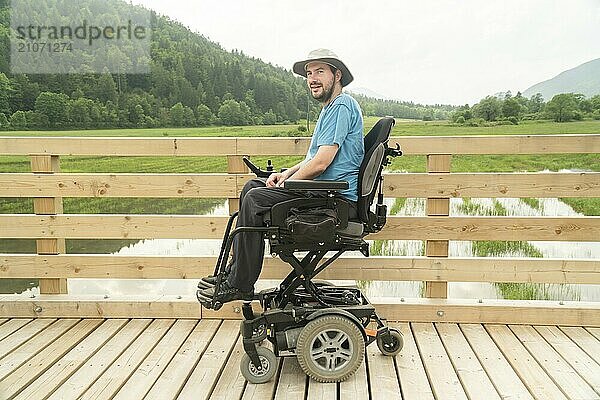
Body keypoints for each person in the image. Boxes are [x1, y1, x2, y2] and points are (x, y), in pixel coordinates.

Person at [199, 48, 364, 303]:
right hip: (324, 191)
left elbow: (321, 163)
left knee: (255, 199)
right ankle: (234, 273)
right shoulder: (331, 108)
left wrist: (287, 185)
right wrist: (283, 175)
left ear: (337, 75)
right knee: (252, 187)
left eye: (320, 71)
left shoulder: (341, 105)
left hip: (334, 197)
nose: (312, 78)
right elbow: (312, 159)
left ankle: (240, 284)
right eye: (309, 73)